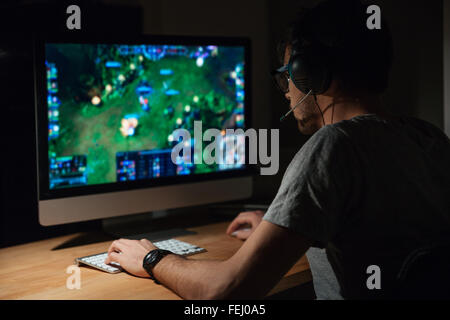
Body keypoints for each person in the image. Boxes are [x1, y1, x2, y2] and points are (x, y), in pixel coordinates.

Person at [105, 0, 450, 299]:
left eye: (288, 76)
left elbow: (226, 291)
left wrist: (152, 258)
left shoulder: (334, 146)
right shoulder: (428, 137)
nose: (286, 92)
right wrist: (279, 230)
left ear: (310, 74)